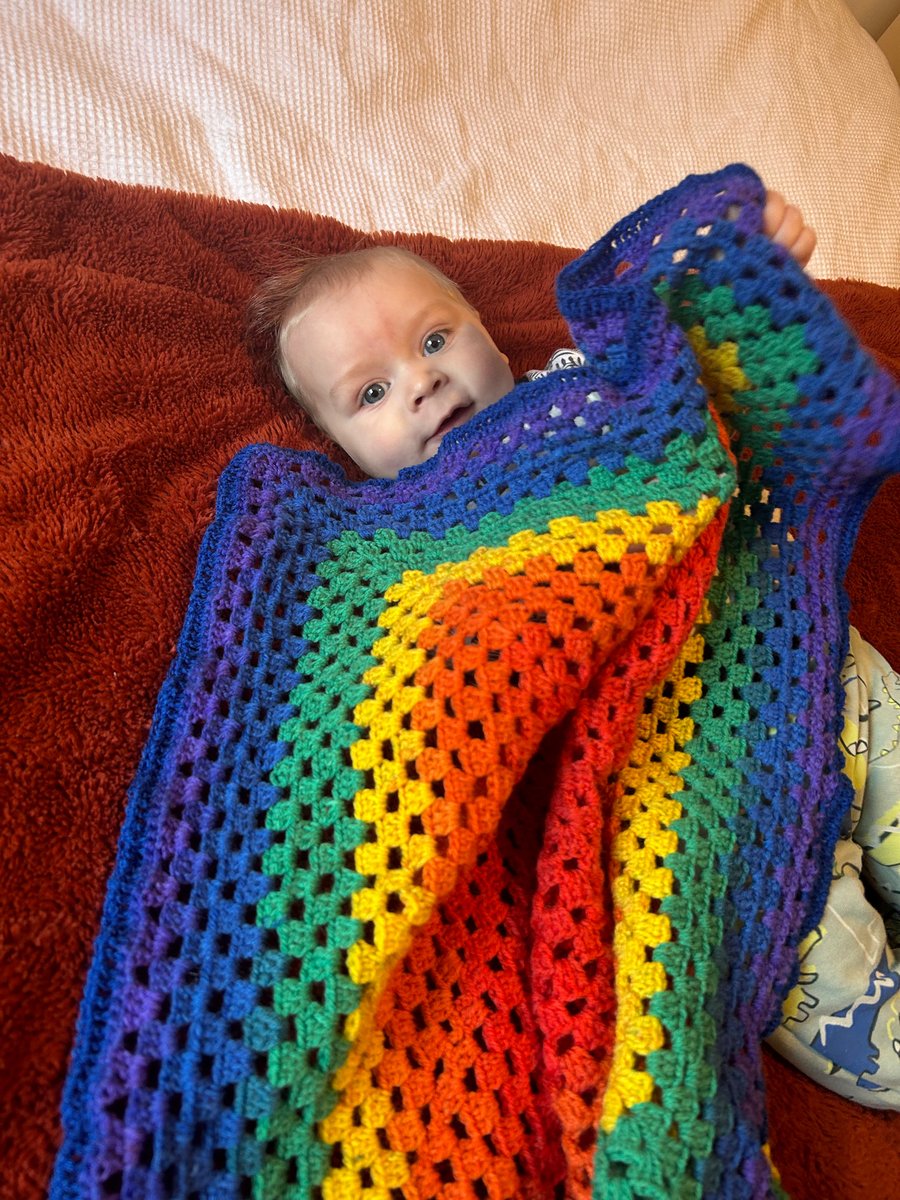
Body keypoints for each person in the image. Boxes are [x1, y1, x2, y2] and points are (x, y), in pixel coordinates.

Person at [247, 192, 900, 1108]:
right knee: (866, 1034)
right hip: (709, 818)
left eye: (434, 341)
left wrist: (747, 275)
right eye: (371, 391)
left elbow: (696, 363)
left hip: (817, 676)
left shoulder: (591, 391)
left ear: (493, 340)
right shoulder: (402, 554)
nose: (421, 382)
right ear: (343, 448)